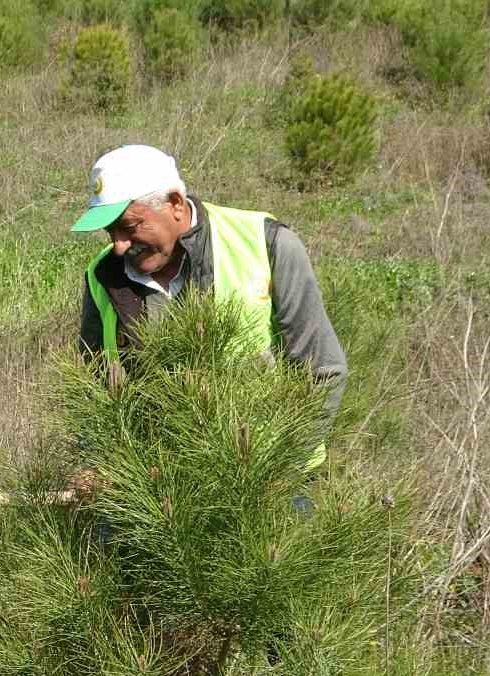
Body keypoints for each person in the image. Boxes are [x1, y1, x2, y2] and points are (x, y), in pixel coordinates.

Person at [71, 145, 347, 479]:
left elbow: (324, 370)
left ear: (174, 203)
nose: (119, 245)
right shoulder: (103, 274)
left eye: (130, 227)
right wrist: (94, 462)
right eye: (110, 231)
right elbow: (93, 384)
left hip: (269, 479)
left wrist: (281, 469)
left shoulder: (265, 244)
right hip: (157, 488)